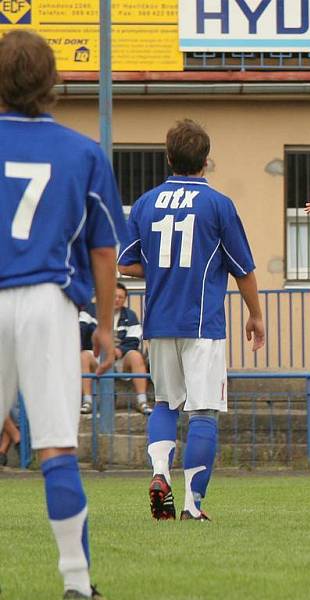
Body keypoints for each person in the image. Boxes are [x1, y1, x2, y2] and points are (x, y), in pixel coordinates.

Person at [0, 30, 126, 599]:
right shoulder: (83, 152)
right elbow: (104, 251)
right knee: (54, 447)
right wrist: (103, 324)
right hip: (48, 299)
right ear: (52, 83)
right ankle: (77, 584)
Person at [118, 119, 265, 522]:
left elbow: (127, 264)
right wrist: (255, 315)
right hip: (202, 325)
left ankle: (159, 473)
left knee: (165, 402)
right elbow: (244, 270)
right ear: (206, 160)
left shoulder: (146, 203)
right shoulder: (218, 204)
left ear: (168, 157)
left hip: (158, 322)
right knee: (203, 412)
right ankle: (192, 505)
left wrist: (165, 271)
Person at [79, 282, 152, 415]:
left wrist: (118, 352)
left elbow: (134, 339)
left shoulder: (130, 315)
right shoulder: (91, 310)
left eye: (121, 297)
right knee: (83, 356)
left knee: (136, 356)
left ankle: (142, 401)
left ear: (124, 300)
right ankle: (87, 401)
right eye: (114, 296)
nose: (117, 299)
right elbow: (81, 330)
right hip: (96, 354)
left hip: (120, 357)